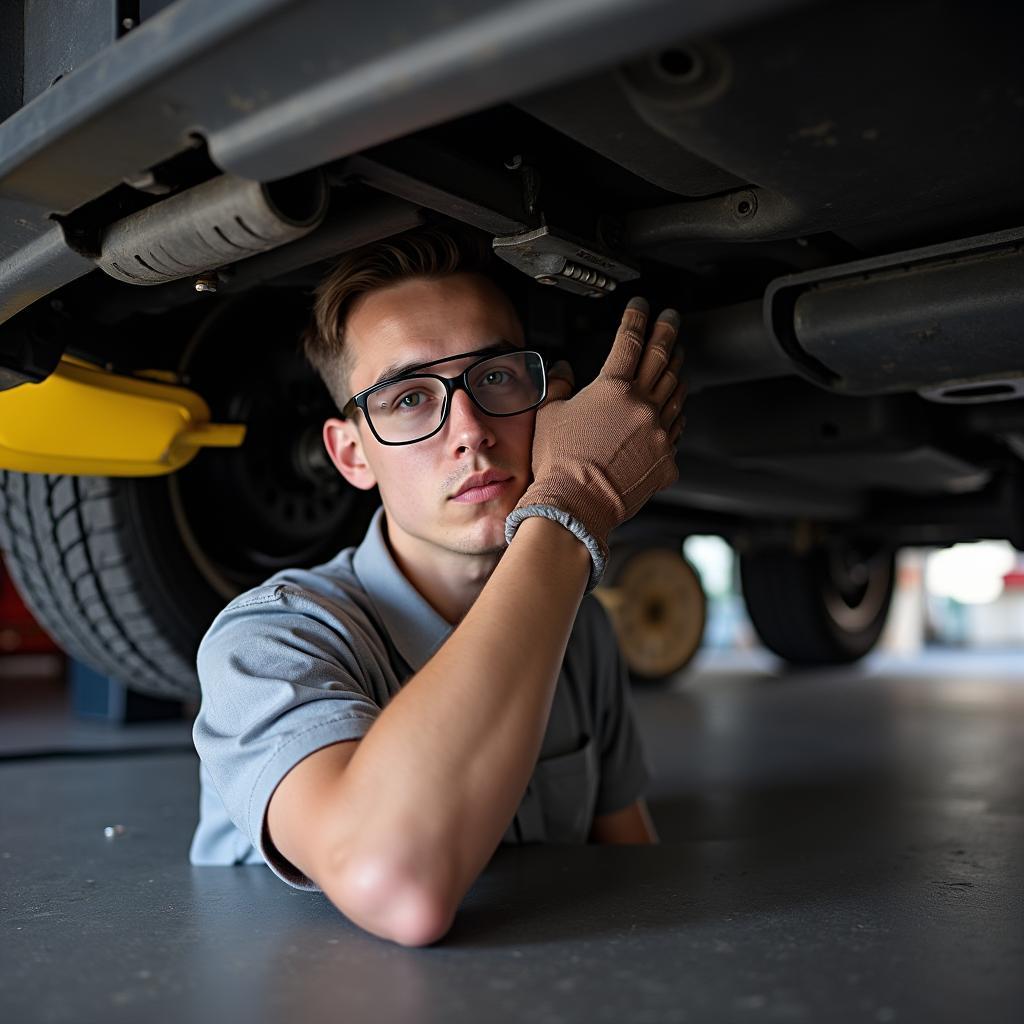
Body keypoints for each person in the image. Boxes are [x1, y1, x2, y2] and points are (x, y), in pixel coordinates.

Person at [189, 226, 688, 947]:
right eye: (409, 400)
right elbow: (396, 887)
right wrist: (574, 503)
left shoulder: (582, 635)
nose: (471, 431)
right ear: (351, 455)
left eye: (495, 379)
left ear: (553, 406)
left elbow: (633, 877)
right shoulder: (267, 642)